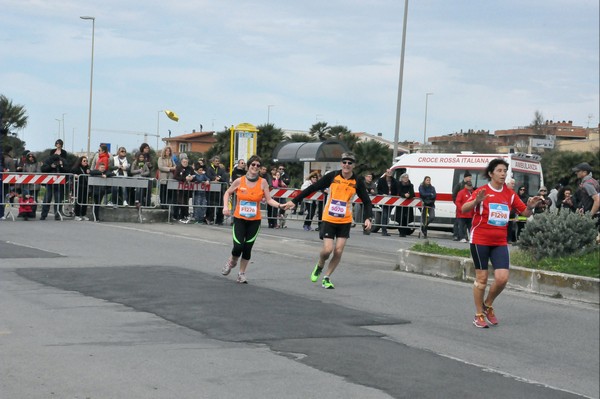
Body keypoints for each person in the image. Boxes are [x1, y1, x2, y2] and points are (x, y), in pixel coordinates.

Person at [462, 158, 542, 328]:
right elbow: (464, 209)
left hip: (499, 241)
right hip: (480, 240)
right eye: (499, 170)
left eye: (505, 171)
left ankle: (487, 305)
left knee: (502, 278)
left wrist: (531, 206)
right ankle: (478, 314)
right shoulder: (482, 191)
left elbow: (525, 214)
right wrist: (476, 201)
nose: (503, 174)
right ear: (491, 173)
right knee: (482, 279)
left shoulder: (509, 194)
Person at [287, 152, 373, 289]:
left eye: (350, 163)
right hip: (329, 218)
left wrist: (368, 218)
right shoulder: (333, 176)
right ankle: (320, 265)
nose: (346, 165)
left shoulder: (357, 181)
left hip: (345, 220)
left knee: (338, 251)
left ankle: (327, 277)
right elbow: (313, 188)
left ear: (353, 165)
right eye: (344, 162)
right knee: (327, 250)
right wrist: (295, 201)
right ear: (341, 163)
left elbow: (367, 202)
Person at [221, 155, 285, 284]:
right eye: (253, 165)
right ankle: (232, 261)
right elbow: (228, 192)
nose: (255, 167)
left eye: (258, 165)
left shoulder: (263, 182)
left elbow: (269, 200)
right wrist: (225, 207)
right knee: (238, 246)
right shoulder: (239, 181)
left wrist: (280, 205)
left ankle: (241, 273)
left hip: (255, 220)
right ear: (248, 166)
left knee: (247, 247)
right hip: (239, 218)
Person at [40, 142, 68, 220]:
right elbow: (43, 169)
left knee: (58, 200)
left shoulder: (62, 160)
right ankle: (43, 215)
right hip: (50, 183)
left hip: (59, 184)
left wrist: (61, 166)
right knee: (47, 199)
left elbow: (67, 170)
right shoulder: (49, 160)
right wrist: (50, 166)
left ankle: (57, 215)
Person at [205, 155, 228, 225]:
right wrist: (214, 178)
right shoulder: (209, 169)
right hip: (211, 190)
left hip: (220, 190)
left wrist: (219, 179)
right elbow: (208, 176)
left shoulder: (221, 169)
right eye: (216, 161)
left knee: (220, 205)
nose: (217, 163)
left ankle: (219, 220)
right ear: (213, 162)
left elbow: (224, 178)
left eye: (218, 161)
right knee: (211, 205)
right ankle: (209, 218)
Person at [376, 169, 399, 236]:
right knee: (384, 215)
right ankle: (384, 230)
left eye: (390, 172)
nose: (389, 173)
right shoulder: (381, 180)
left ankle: (384, 228)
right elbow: (378, 189)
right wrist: (382, 194)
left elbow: (396, 190)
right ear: (385, 173)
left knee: (387, 215)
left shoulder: (394, 181)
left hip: (391, 200)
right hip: (383, 200)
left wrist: (394, 196)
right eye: (388, 172)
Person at [172, 154, 195, 222]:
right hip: (180, 188)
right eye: (184, 162)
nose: (185, 163)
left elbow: (194, 175)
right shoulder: (178, 168)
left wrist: (191, 178)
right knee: (180, 201)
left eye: (186, 162)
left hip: (188, 188)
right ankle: (178, 215)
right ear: (181, 162)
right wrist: (184, 178)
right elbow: (175, 177)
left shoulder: (190, 168)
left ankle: (185, 215)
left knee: (186, 202)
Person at [452, 171, 473, 240]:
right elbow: (454, 195)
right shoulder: (459, 185)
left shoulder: (470, 187)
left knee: (464, 223)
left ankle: (464, 235)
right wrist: (459, 206)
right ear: (465, 177)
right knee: (458, 222)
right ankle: (455, 235)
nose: (470, 179)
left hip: (467, 209)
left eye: (471, 177)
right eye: (469, 177)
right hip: (460, 207)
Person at [71, 155, 91, 221]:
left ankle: (83, 214)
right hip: (78, 186)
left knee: (85, 200)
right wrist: (75, 175)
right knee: (78, 200)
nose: (86, 162)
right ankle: (77, 214)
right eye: (84, 161)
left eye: (86, 161)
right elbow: (71, 174)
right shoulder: (76, 168)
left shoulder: (87, 169)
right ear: (80, 161)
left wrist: (89, 172)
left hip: (85, 186)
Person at [396, 173, 415, 237]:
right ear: (401, 178)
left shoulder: (411, 185)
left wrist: (409, 195)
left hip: (408, 204)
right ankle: (401, 232)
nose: (406, 179)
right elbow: (398, 192)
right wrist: (404, 195)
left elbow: (413, 193)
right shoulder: (399, 184)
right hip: (400, 204)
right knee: (400, 218)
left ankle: (405, 232)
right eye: (404, 177)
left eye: (407, 177)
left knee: (406, 218)